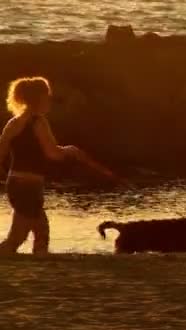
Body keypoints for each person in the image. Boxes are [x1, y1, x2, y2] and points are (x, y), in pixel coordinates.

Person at [0, 76, 118, 254]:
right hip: (30, 186)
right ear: (38, 98)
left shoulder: (13, 123)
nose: (49, 100)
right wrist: (70, 150)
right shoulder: (38, 121)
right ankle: (39, 266)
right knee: (33, 233)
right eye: (47, 96)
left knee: (26, 233)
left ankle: (37, 267)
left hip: (15, 185)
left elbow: (1, 152)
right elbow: (52, 154)